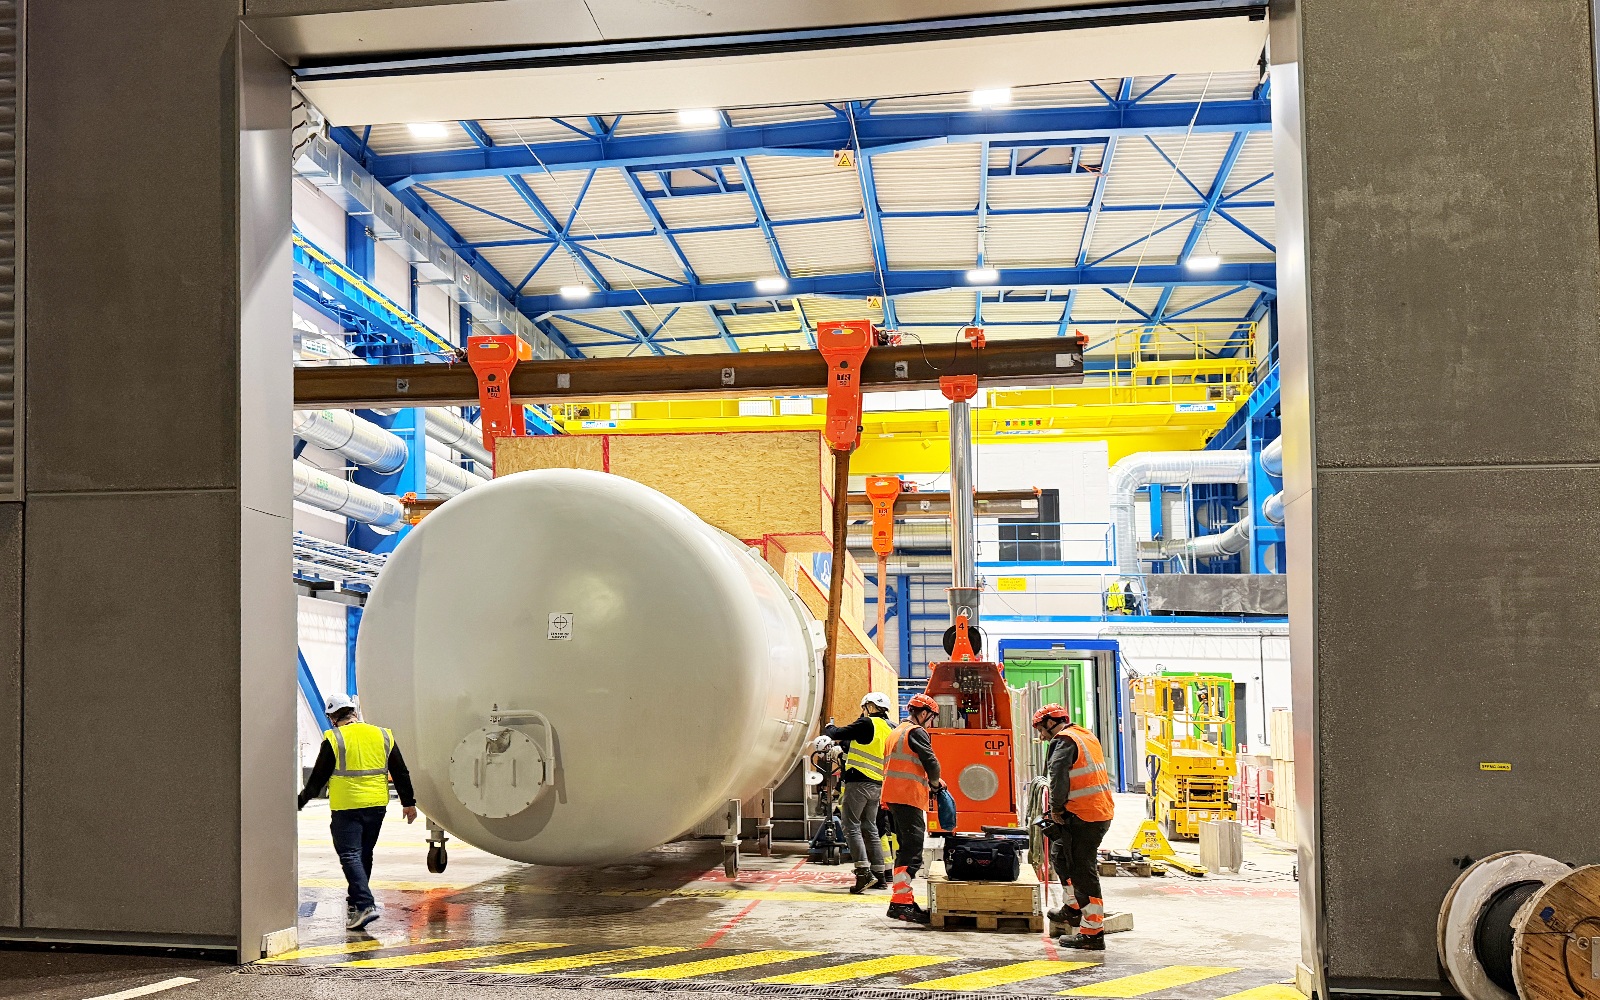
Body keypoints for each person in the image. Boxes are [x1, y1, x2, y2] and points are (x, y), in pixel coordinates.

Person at [298, 694, 418, 931]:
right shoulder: (382, 735)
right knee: (365, 853)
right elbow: (400, 771)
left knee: (350, 855)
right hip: (376, 805)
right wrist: (409, 802)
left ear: (333, 717)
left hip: (347, 806)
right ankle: (355, 900)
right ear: (353, 711)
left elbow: (318, 779)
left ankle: (364, 904)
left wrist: (300, 801)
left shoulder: (335, 738)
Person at [1033, 703, 1116, 951]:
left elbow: (1058, 776)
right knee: (1060, 855)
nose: (1040, 736)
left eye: (1040, 729)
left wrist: (1056, 810)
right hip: (1093, 812)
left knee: (1082, 872)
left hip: (1084, 817)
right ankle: (1072, 908)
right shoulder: (1085, 735)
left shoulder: (1063, 741)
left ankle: (1092, 932)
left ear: (1050, 723)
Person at [879, 692, 945, 924]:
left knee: (906, 848)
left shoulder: (896, 731)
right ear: (924, 713)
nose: (931, 723)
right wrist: (935, 783)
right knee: (913, 850)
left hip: (894, 796)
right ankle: (901, 904)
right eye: (931, 718)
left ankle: (902, 900)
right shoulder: (916, 732)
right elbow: (931, 762)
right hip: (907, 797)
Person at [823, 692, 896, 893]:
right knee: (870, 826)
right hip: (878, 785)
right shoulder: (891, 727)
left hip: (859, 782)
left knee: (851, 826)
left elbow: (837, 733)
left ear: (869, 707)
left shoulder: (866, 723)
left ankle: (863, 873)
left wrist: (829, 727)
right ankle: (880, 876)